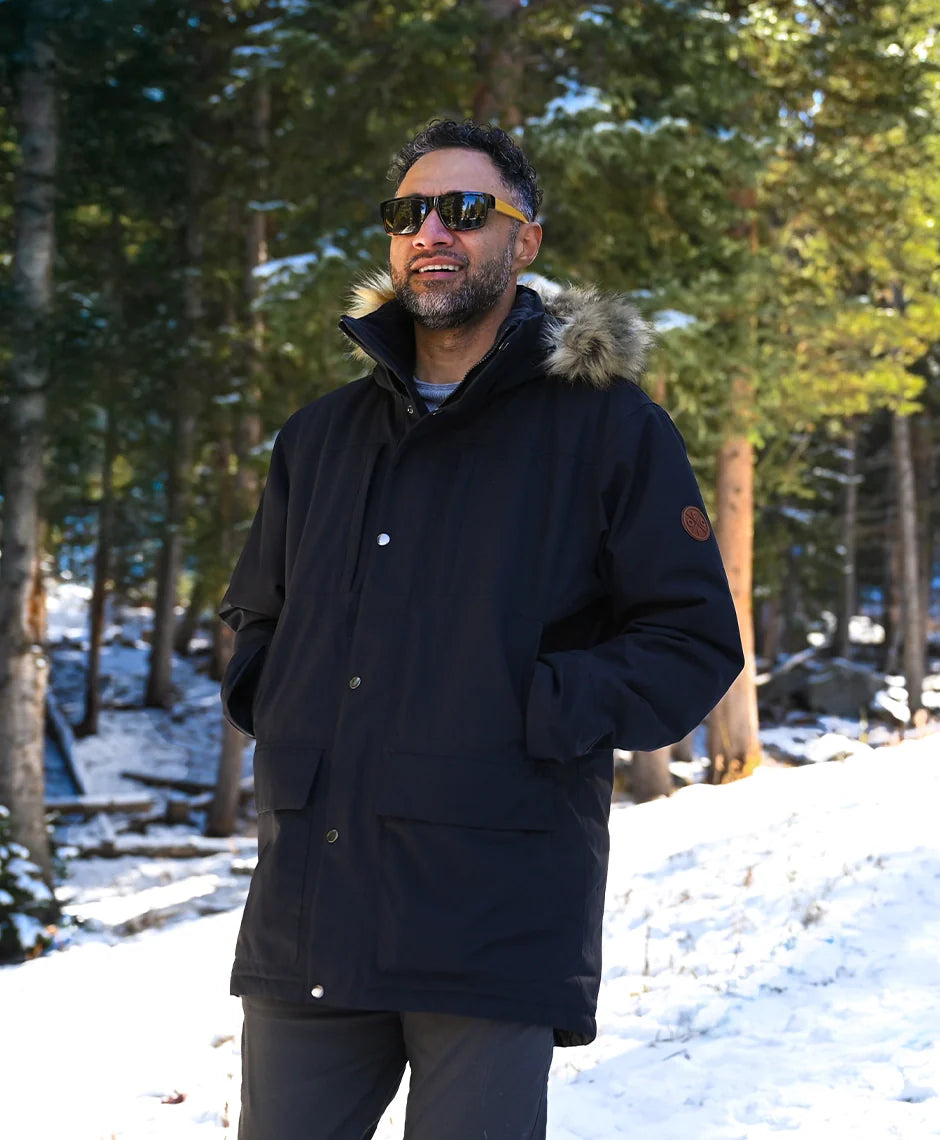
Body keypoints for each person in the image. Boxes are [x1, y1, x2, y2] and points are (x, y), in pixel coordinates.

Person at [219, 119, 744, 1140]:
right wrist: (283, 710)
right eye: (408, 212)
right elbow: (258, 617)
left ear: (524, 240)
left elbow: (689, 639)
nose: (432, 232)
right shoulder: (320, 438)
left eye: (464, 210)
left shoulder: (607, 426)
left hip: (493, 913)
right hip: (311, 909)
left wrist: (524, 710)